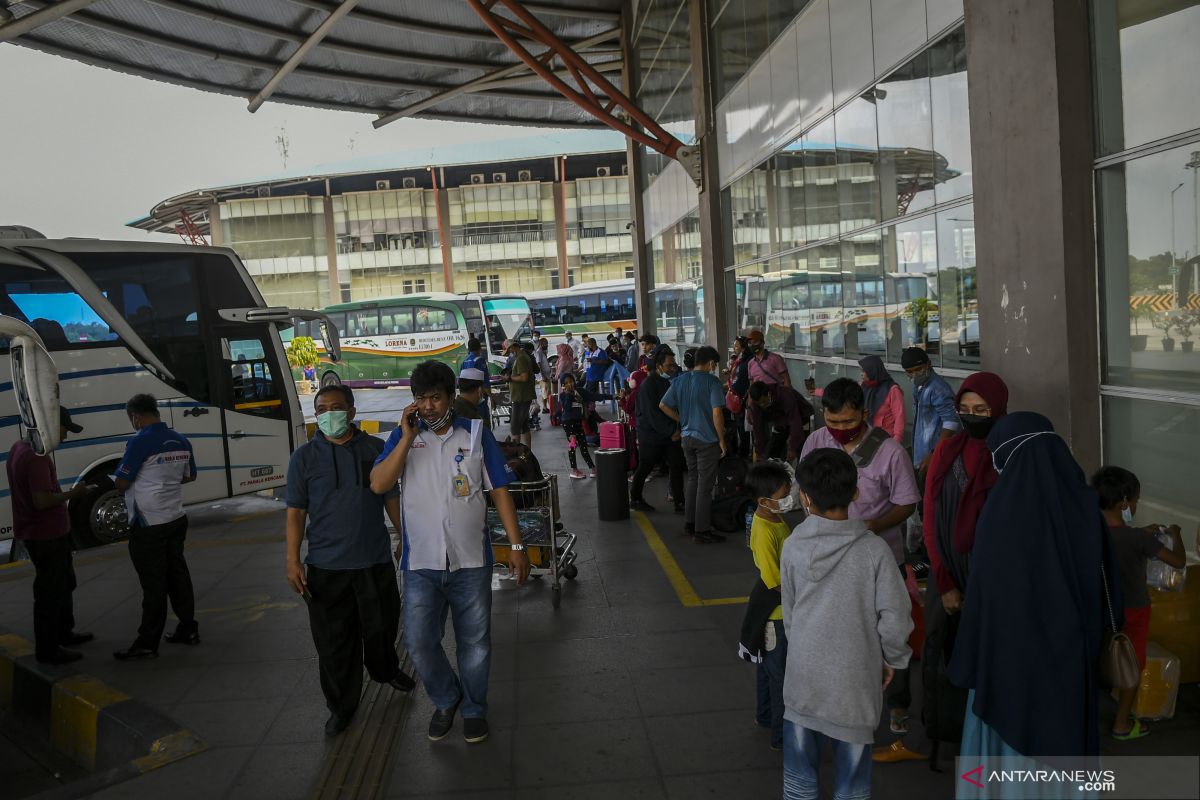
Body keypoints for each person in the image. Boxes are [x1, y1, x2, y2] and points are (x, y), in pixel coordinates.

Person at [369, 361, 529, 745]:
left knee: (475, 643)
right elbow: (379, 484)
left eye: (435, 398)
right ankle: (446, 697)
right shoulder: (402, 437)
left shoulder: (475, 434)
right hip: (421, 562)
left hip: (471, 560)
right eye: (420, 399)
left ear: (450, 396)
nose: (428, 406)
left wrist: (517, 545)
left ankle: (474, 709)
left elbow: (500, 490)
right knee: (419, 642)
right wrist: (406, 438)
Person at [949, 412, 1117, 763]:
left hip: (1008, 665)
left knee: (1008, 753)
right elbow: (1108, 586)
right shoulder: (1086, 508)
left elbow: (985, 594)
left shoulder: (1000, 515)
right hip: (1072, 659)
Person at [780, 448, 912, 800]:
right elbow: (896, 617)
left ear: (805, 497)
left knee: (799, 777)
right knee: (852, 782)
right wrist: (893, 659)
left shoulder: (792, 546)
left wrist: (804, 650)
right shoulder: (875, 551)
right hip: (854, 684)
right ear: (856, 493)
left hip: (803, 681)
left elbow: (790, 613)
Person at [285, 385, 415, 737]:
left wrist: (405, 535)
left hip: (373, 561)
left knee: (383, 628)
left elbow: (390, 496)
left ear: (352, 412)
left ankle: (385, 670)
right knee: (334, 644)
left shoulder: (375, 449)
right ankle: (341, 706)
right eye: (322, 408)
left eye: (337, 407)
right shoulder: (304, 458)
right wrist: (292, 560)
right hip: (325, 568)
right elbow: (296, 512)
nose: (330, 414)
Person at [799, 378, 919, 734]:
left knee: (889, 632)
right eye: (831, 422)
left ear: (865, 414)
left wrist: (873, 525)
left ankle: (897, 707)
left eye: (847, 423)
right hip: (828, 558)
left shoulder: (889, 451)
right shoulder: (816, 441)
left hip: (879, 557)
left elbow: (907, 502)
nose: (838, 430)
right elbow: (804, 488)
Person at [910, 371, 1008, 764]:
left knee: (995, 661)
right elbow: (931, 522)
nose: (972, 417)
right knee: (946, 656)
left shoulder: (1009, 457)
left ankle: (993, 740)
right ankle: (949, 732)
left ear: (999, 409)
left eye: (981, 410)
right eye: (965, 410)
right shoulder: (946, 453)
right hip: (947, 574)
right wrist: (945, 581)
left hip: (998, 582)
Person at [1091, 466, 1185, 740]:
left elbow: (1116, 540)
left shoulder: (1090, 533)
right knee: (1131, 665)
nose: (1135, 504)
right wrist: (1176, 533)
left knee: (1099, 658)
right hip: (1133, 611)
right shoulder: (1139, 539)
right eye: (1134, 500)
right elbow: (1177, 561)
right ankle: (1122, 724)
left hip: (1098, 610)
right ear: (1123, 504)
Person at [112, 394, 200, 660]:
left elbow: (122, 482)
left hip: (148, 522)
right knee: (178, 575)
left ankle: (147, 642)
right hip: (175, 517)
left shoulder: (140, 441)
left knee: (154, 584)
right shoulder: (181, 440)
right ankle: (188, 629)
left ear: (135, 416)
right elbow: (190, 475)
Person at [7, 408, 95, 664]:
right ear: (48, 426)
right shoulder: (36, 457)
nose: (65, 436)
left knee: (64, 583)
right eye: (64, 430)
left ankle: (64, 633)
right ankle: (48, 649)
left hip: (43, 532)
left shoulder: (17, 448)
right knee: (50, 593)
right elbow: (42, 501)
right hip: (45, 535)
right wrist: (74, 494)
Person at [742, 461, 795, 751]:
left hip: (778, 610)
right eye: (783, 494)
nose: (788, 498)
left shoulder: (774, 518)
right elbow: (774, 580)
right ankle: (782, 736)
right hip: (777, 614)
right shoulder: (763, 530)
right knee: (780, 676)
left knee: (767, 668)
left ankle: (764, 717)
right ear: (763, 500)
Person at [660, 346, 727, 544]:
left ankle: (689, 524)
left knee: (693, 480)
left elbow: (663, 405)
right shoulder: (712, 382)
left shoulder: (679, 380)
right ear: (711, 363)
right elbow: (717, 413)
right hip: (707, 440)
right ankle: (702, 530)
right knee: (705, 486)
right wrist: (722, 439)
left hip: (687, 438)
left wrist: (681, 419)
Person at [629, 346, 684, 513]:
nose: (672, 368)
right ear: (659, 366)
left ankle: (679, 502)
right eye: (669, 365)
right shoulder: (649, 385)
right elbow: (652, 415)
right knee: (646, 465)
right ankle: (636, 498)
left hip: (668, 434)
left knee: (676, 465)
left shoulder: (666, 381)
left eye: (673, 364)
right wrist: (672, 431)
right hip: (651, 435)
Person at [901, 347, 959, 482]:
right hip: (923, 453)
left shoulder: (938, 388)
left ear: (929, 364)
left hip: (935, 454)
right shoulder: (919, 384)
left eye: (919, 369)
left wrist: (934, 454)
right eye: (910, 372)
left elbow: (952, 423)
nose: (915, 375)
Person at [747, 380, 814, 463]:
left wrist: (792, 448)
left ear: (768, 394)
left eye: (764, 402)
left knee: (801, 451)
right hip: (780, 420)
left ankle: (800, 472)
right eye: (759, 404)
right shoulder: (756, 404)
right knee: (771, 451)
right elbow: (757, 427)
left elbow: (795, 421)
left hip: (800, 417)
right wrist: (759, 451)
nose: (762, 406)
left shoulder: (785, 394)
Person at [553, 373, 597, 479]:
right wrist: (568, 394)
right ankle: (574, 470)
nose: (569, 384)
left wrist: (612, 396)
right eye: (566, 383)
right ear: (563, 385)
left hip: (577, 422)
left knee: (583, 445)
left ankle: (593, 469)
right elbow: (567, 408)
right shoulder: (563, 395)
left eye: (571, 381)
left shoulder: (578, 392)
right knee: (572, 445)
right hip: (568, 423)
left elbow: (592, 396)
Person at [858, 355, 904, 441]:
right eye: (860, 371)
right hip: (867, 435)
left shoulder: (892, 389)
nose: (861, 374)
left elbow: (899, 417)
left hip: (885, 437)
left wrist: (897, 439)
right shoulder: (863, 385)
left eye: (864, 371)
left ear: (872, 371)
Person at [502, 339, 535, 449]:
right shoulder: (522, 356)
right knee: (524, 426)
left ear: (512, 347)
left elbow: (524, 377)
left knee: (515, 427)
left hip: (521, 397)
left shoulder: (520, 358)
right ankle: (528, 451)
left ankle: (516, 453)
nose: (509, 352)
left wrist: (509, 378)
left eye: (509, 350)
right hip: (522, 395)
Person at [727, 336, 752, 456]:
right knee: (739, 424)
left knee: (743, 426)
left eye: (736, 346)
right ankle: (742, 450)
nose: (734, 348)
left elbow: (744, 379)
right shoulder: (739, 359)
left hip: (743, 397)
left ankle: (744, 451)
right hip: (736, 396)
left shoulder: (747, 360)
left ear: (743, 347)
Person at [533, 337, 553, 414]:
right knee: (545, 392)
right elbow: (539, 364)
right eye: (545, 343)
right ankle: (545, 408)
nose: (547, 345)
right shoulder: (539, 352)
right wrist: (543, 375)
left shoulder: (543, 352)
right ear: (541, 344)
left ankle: (546, 407)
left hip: (546, 375)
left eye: (547, 343)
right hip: (543, 376)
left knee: (546, 392)